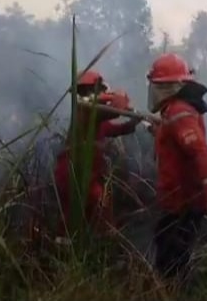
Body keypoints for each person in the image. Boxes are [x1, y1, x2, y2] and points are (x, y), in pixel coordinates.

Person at [146, 53, 207, 281]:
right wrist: (159, 131)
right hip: (177, 201)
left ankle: (172, 292)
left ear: (171, 86)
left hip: (183, 203)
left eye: (159, 86)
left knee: (171, 261)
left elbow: (200, 152)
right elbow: (177, 145)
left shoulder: (179, 111)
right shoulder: (175, 111)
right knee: (170, 252)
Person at [53, 70, 141, 238]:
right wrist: (118, 97)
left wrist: (134, 122)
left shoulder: (95, 118)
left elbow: (117, 129)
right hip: (74, 171)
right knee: (91, 210)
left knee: (91, 212)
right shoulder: (84, 111)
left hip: (85, 173)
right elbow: (115, 109)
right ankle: (83, 251)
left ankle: (88, 251)